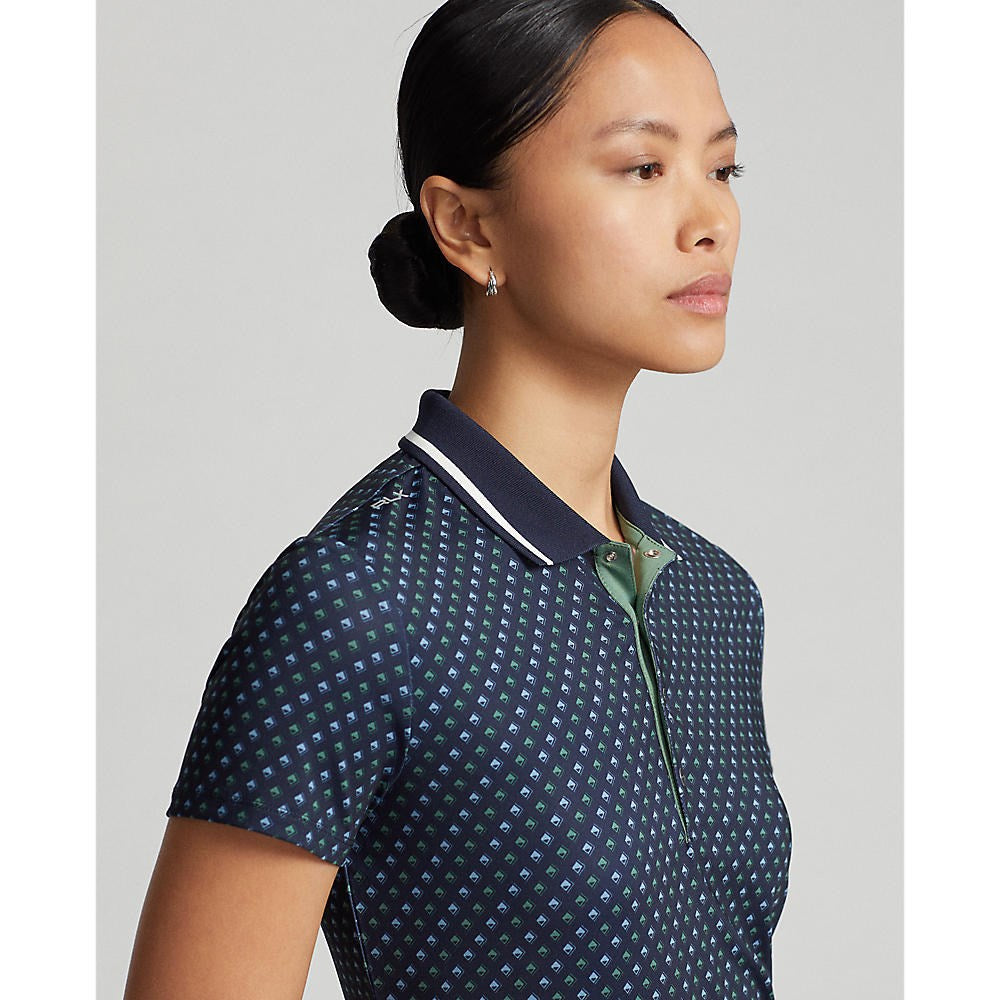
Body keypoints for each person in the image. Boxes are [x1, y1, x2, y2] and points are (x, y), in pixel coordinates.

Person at [124, 2, 792, 998]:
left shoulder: (713, 598)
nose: (711, 221)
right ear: (467, 225)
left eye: (723, 168)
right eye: (643, 168)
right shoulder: (355, 605)